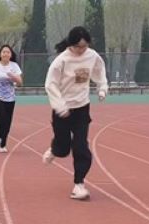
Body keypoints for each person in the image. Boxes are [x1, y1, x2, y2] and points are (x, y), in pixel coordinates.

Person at [43, 26, 108, 201]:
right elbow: (50, 84)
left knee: (81, 147)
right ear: (71, 44)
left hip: (82, 108)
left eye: (84, 46)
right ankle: (55, 149)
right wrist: (59, 106)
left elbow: (99, 71)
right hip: (62, 109)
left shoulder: (92, 56)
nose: (81, 50)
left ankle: (79, 184)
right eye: (78, 47)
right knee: (63, 148)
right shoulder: (61, 61)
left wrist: (102, 88)